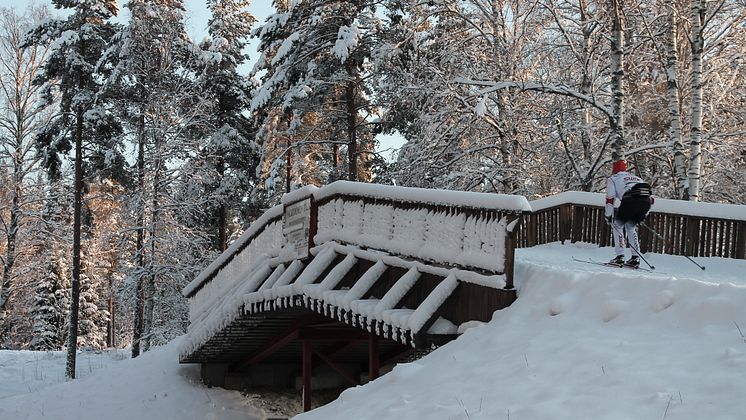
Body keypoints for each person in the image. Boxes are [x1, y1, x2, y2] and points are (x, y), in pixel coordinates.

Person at [604, 159, 653, 268]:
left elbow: (610, 199)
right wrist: (644, 214)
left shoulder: (613, 179)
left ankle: (620, 256)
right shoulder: (637, 178)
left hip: (630, 200)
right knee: (630, 227)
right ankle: (635, 258)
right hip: (646, 203)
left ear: (614, 170)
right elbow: (651, 199)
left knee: (617, 225)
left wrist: (608, 215)